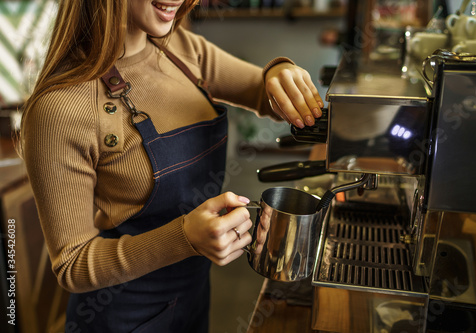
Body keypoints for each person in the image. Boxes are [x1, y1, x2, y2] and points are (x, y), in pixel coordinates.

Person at [19, 0, 324, 332]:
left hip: (192, 299)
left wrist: (279, 73)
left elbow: (261, 92)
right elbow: (73, 265)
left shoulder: (181, 48)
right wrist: (184, 238)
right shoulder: (59, 108)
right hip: (124, 318)